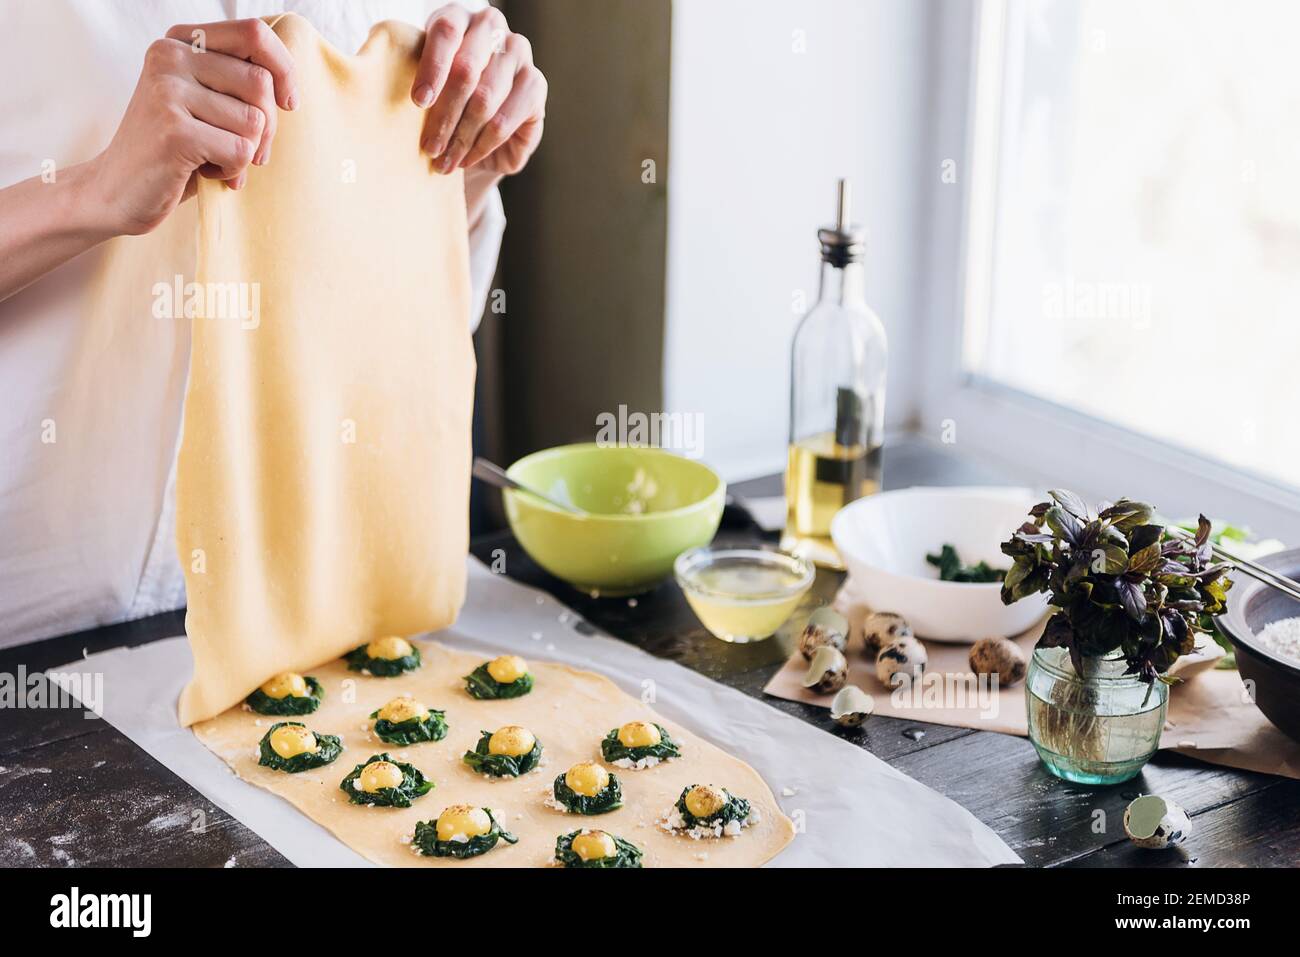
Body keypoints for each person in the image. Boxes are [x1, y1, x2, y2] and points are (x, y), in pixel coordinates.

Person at [0, 1, 547, 646]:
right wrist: (89, 191)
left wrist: (461, 173)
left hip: (300, 634)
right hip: (28, 630)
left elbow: (380, 326)